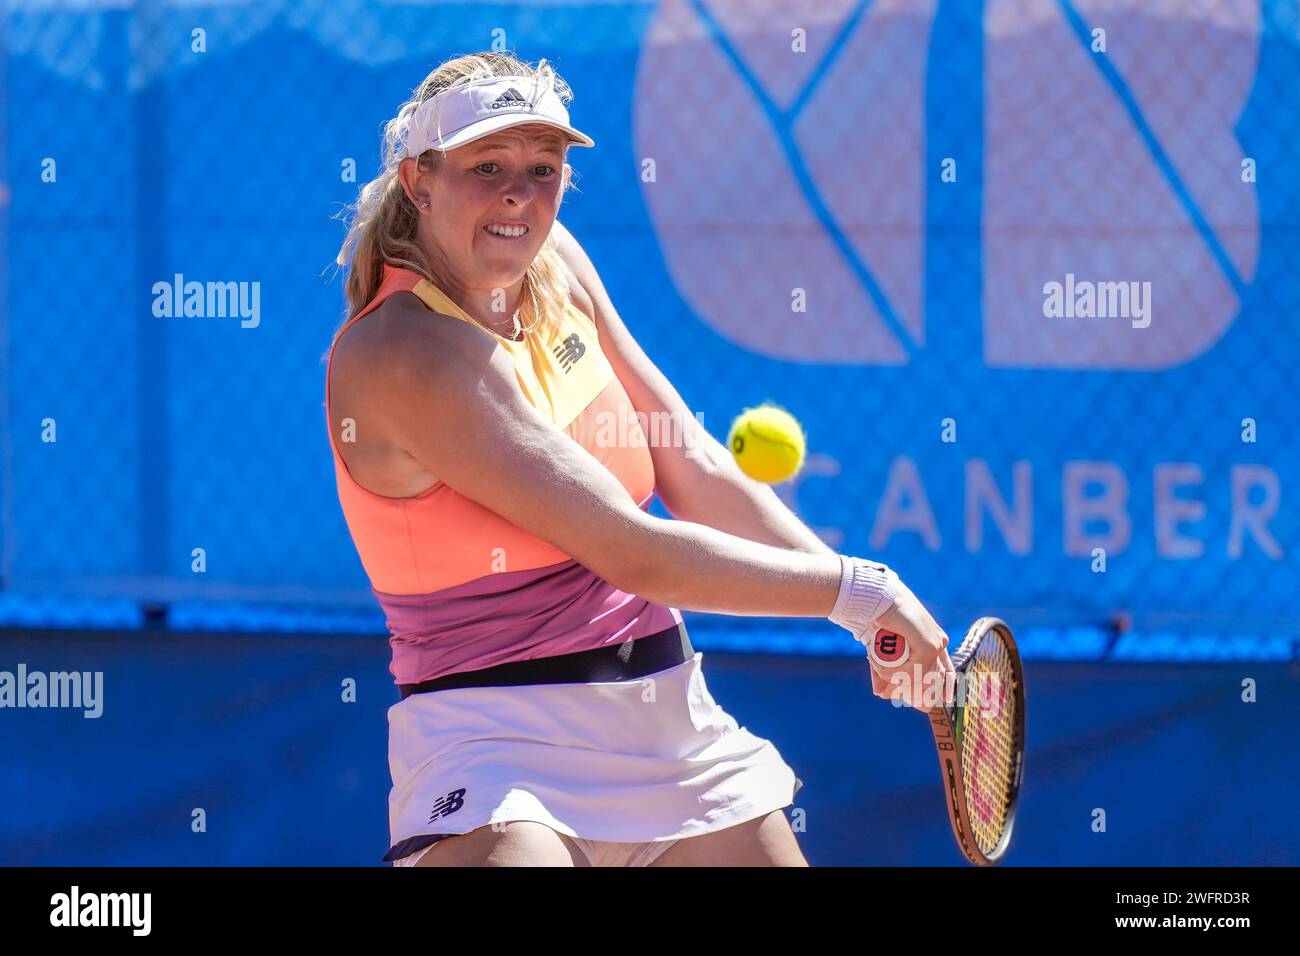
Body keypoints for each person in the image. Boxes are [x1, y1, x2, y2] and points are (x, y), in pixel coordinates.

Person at [326, 52, 953, 867]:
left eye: (542, 169)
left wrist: (863, 616)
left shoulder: (556, 267)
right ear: (419, 181)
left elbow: (686, 460)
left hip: (671, 725)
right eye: (488, 167)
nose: (519, 193)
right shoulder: (404, 353)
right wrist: (863, 592)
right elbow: (632, 552)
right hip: (495, 754)